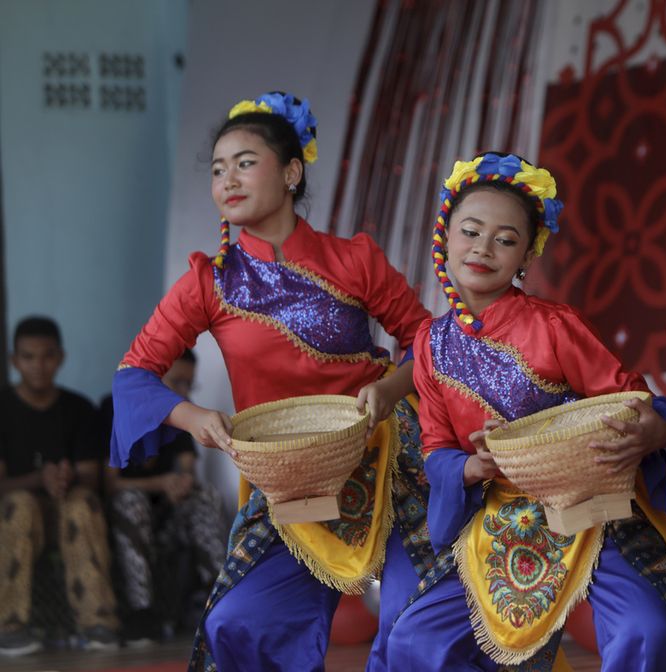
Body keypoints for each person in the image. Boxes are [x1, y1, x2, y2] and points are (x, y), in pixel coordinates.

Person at [108, 92, 434, 671]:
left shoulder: (352, 259)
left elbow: (429, 343)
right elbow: (135, 373)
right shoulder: (209, 283)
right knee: (236, 622)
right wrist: (197, 417)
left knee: (418, 624)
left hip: (387, 460)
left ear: (291, 172)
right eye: (216, 169)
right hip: (289, 478)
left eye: (244, 162)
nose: (226, 179)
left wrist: (389, 390)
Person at [387, 152, 666, 671]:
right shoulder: (429, 343)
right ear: (444, 236)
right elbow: (436, 447)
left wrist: (647, 427)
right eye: (470, 231)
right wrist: (473, 466)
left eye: (506, 239)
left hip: (586, 513)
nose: (483, 249)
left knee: (644, 628)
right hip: (498, 522)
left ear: (525, 258)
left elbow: (626, 398)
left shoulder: (555, 326)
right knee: (413, 639)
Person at [0, 316, 119, 655]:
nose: (38, 365)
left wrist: (65, 478)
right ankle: (9, 625)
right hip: (18, 520)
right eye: (28, 356)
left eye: (47, 355)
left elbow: (92, 478)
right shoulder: (4, 409)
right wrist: (40, 479)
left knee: (83, 501)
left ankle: (98, 621)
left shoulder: (78, 409)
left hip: (67, 516)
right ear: (14, 360)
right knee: (19, 504)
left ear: (61, 357)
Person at [101, 348, 227, 645]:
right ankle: (140, 611)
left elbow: (188, 471)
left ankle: (220, 597)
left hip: (167, 520)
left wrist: (180, 485)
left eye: (188, 385)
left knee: (205, 495)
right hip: (124, 522)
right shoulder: (115, 408)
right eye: (177, 383)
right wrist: (161, 483)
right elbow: (110, 485)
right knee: (131, 501)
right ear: (155, 378)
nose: (183, 392)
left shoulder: (183, 413)